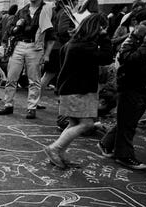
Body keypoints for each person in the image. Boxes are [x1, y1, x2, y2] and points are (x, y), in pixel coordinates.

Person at [43, 14, 113, 169]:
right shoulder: (83, 46)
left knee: (74, 123)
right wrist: (105, 37)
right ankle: (54, 148)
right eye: (103, 28)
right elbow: (107, 57)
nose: (104, 31)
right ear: (97, 28)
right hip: (79, 91)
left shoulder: (71, 44)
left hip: (71, 89)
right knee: (87, 124)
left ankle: (59, 152)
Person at [99, 7, 146, 170]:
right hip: (130, 86)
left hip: (145, 86)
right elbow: (128, 59)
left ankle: (106, 143)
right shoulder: (131, 41)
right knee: (128, 124)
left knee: (127, 120)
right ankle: (123, 155)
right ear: (136, 23)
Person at [0, 0, 54, 119]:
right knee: (11, 77)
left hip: (35, 47)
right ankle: (8, 105)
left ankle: (32, 108)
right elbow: (10, 29)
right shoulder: (22, 11)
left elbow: (51, 36)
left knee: (34, 79)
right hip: (19, 45)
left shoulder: (46, 10)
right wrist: (16, 27)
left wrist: (47, 54)